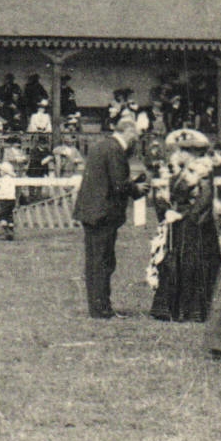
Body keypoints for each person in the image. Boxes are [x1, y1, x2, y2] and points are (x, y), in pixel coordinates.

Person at [72, 117, 146, 319]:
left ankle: (98, 306)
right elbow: (119, 185)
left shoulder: (101, 146)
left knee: (96, 261)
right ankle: (101, 308)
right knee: (102, 262)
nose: (136, 142)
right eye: (136, 137)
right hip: (103, 214)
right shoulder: (115, 150)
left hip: (93, 212)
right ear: (129, 132)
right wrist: (137, 188)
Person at [147, 130, 221, 323]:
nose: (180, 153)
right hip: (178, 224)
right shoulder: (175, 170)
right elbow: (165, 195)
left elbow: (205, 200)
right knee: (174, 262)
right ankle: (171, 308)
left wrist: (185, 216)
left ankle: (193, 310)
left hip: (196, 225)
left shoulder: (202, 171)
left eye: (185, 150)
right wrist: (166, 211)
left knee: (195, 265)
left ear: (194, 153)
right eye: (180, 150)